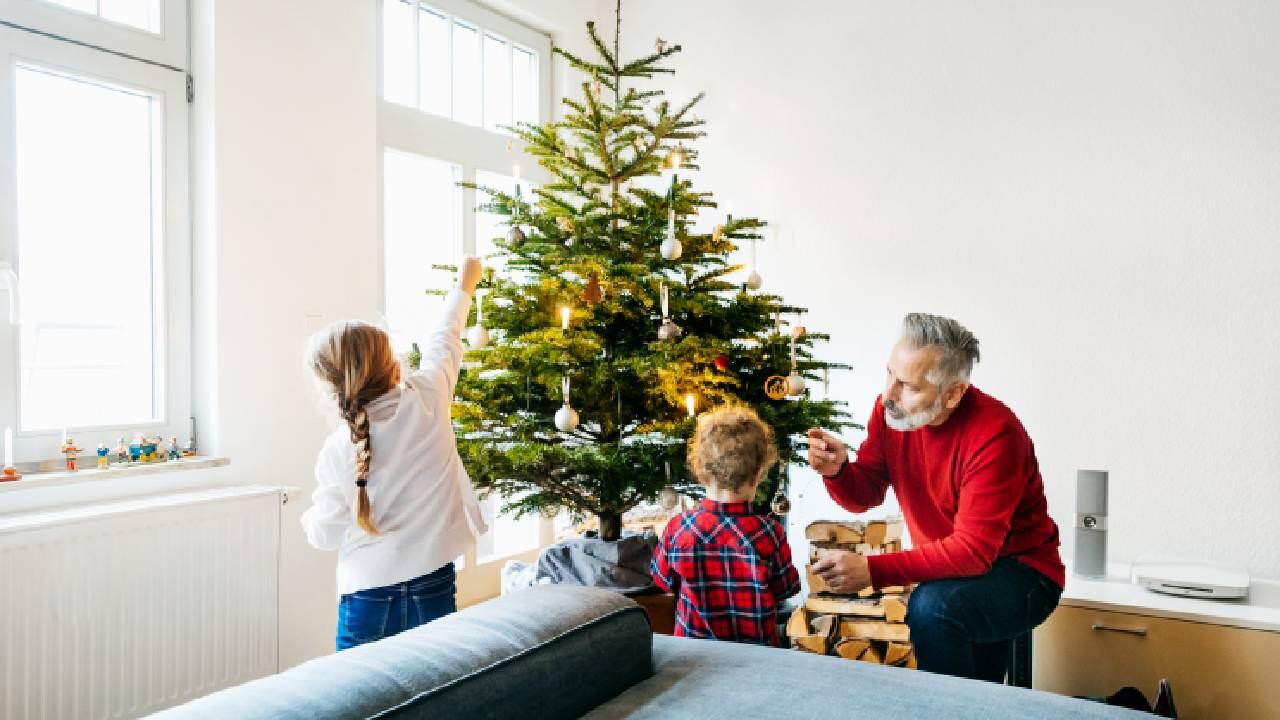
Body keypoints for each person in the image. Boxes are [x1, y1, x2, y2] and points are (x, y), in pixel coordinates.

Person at [807, 313, 1063, 682]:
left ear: (953, 394)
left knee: (932, 608)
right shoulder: (892, 413)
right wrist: (839, 471)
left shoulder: (996, 434)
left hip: (1023, 574)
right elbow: (866, 493)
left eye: (909, 386)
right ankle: (1117, 703)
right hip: (956, 572)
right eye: (889, 374)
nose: (888, 394)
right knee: (981, 693)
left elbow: (972, 551)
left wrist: (871, 570)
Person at [301, 257, 488, 651]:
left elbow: (325, 534)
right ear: (395, 368)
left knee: (358, 687)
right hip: (434, 581)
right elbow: (446, 339)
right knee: (437, 679)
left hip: (366, 596)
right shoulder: (429, 397)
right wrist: (465, 285)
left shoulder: (338, 449)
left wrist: (309, 521)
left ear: (332, 389)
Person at [651, 406, 800, 646]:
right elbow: (786, 589)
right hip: (759, 655)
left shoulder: (679, 528)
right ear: (758, 474)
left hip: (694, 654)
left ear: (700, 471)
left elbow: (662, 582)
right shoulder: (770, 533)